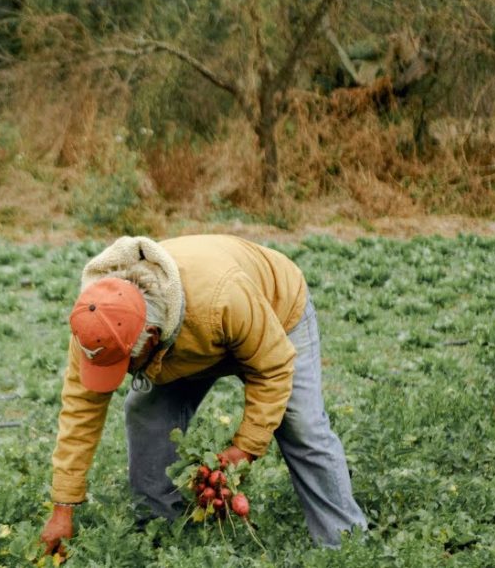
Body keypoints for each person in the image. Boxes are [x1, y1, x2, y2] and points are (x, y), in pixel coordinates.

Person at [39, 235, 366, 557]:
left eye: (126, 364)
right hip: (193, 339)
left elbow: (274, 368)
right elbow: (81, 409)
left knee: (301, 426)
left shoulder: (222, 296)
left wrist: (245, 447)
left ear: (151, 338)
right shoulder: (97, 326)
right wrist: (62, 506)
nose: (122, 373)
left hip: (274, 312)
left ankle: (345, 543)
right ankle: (159, 532)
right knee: (146, 413)